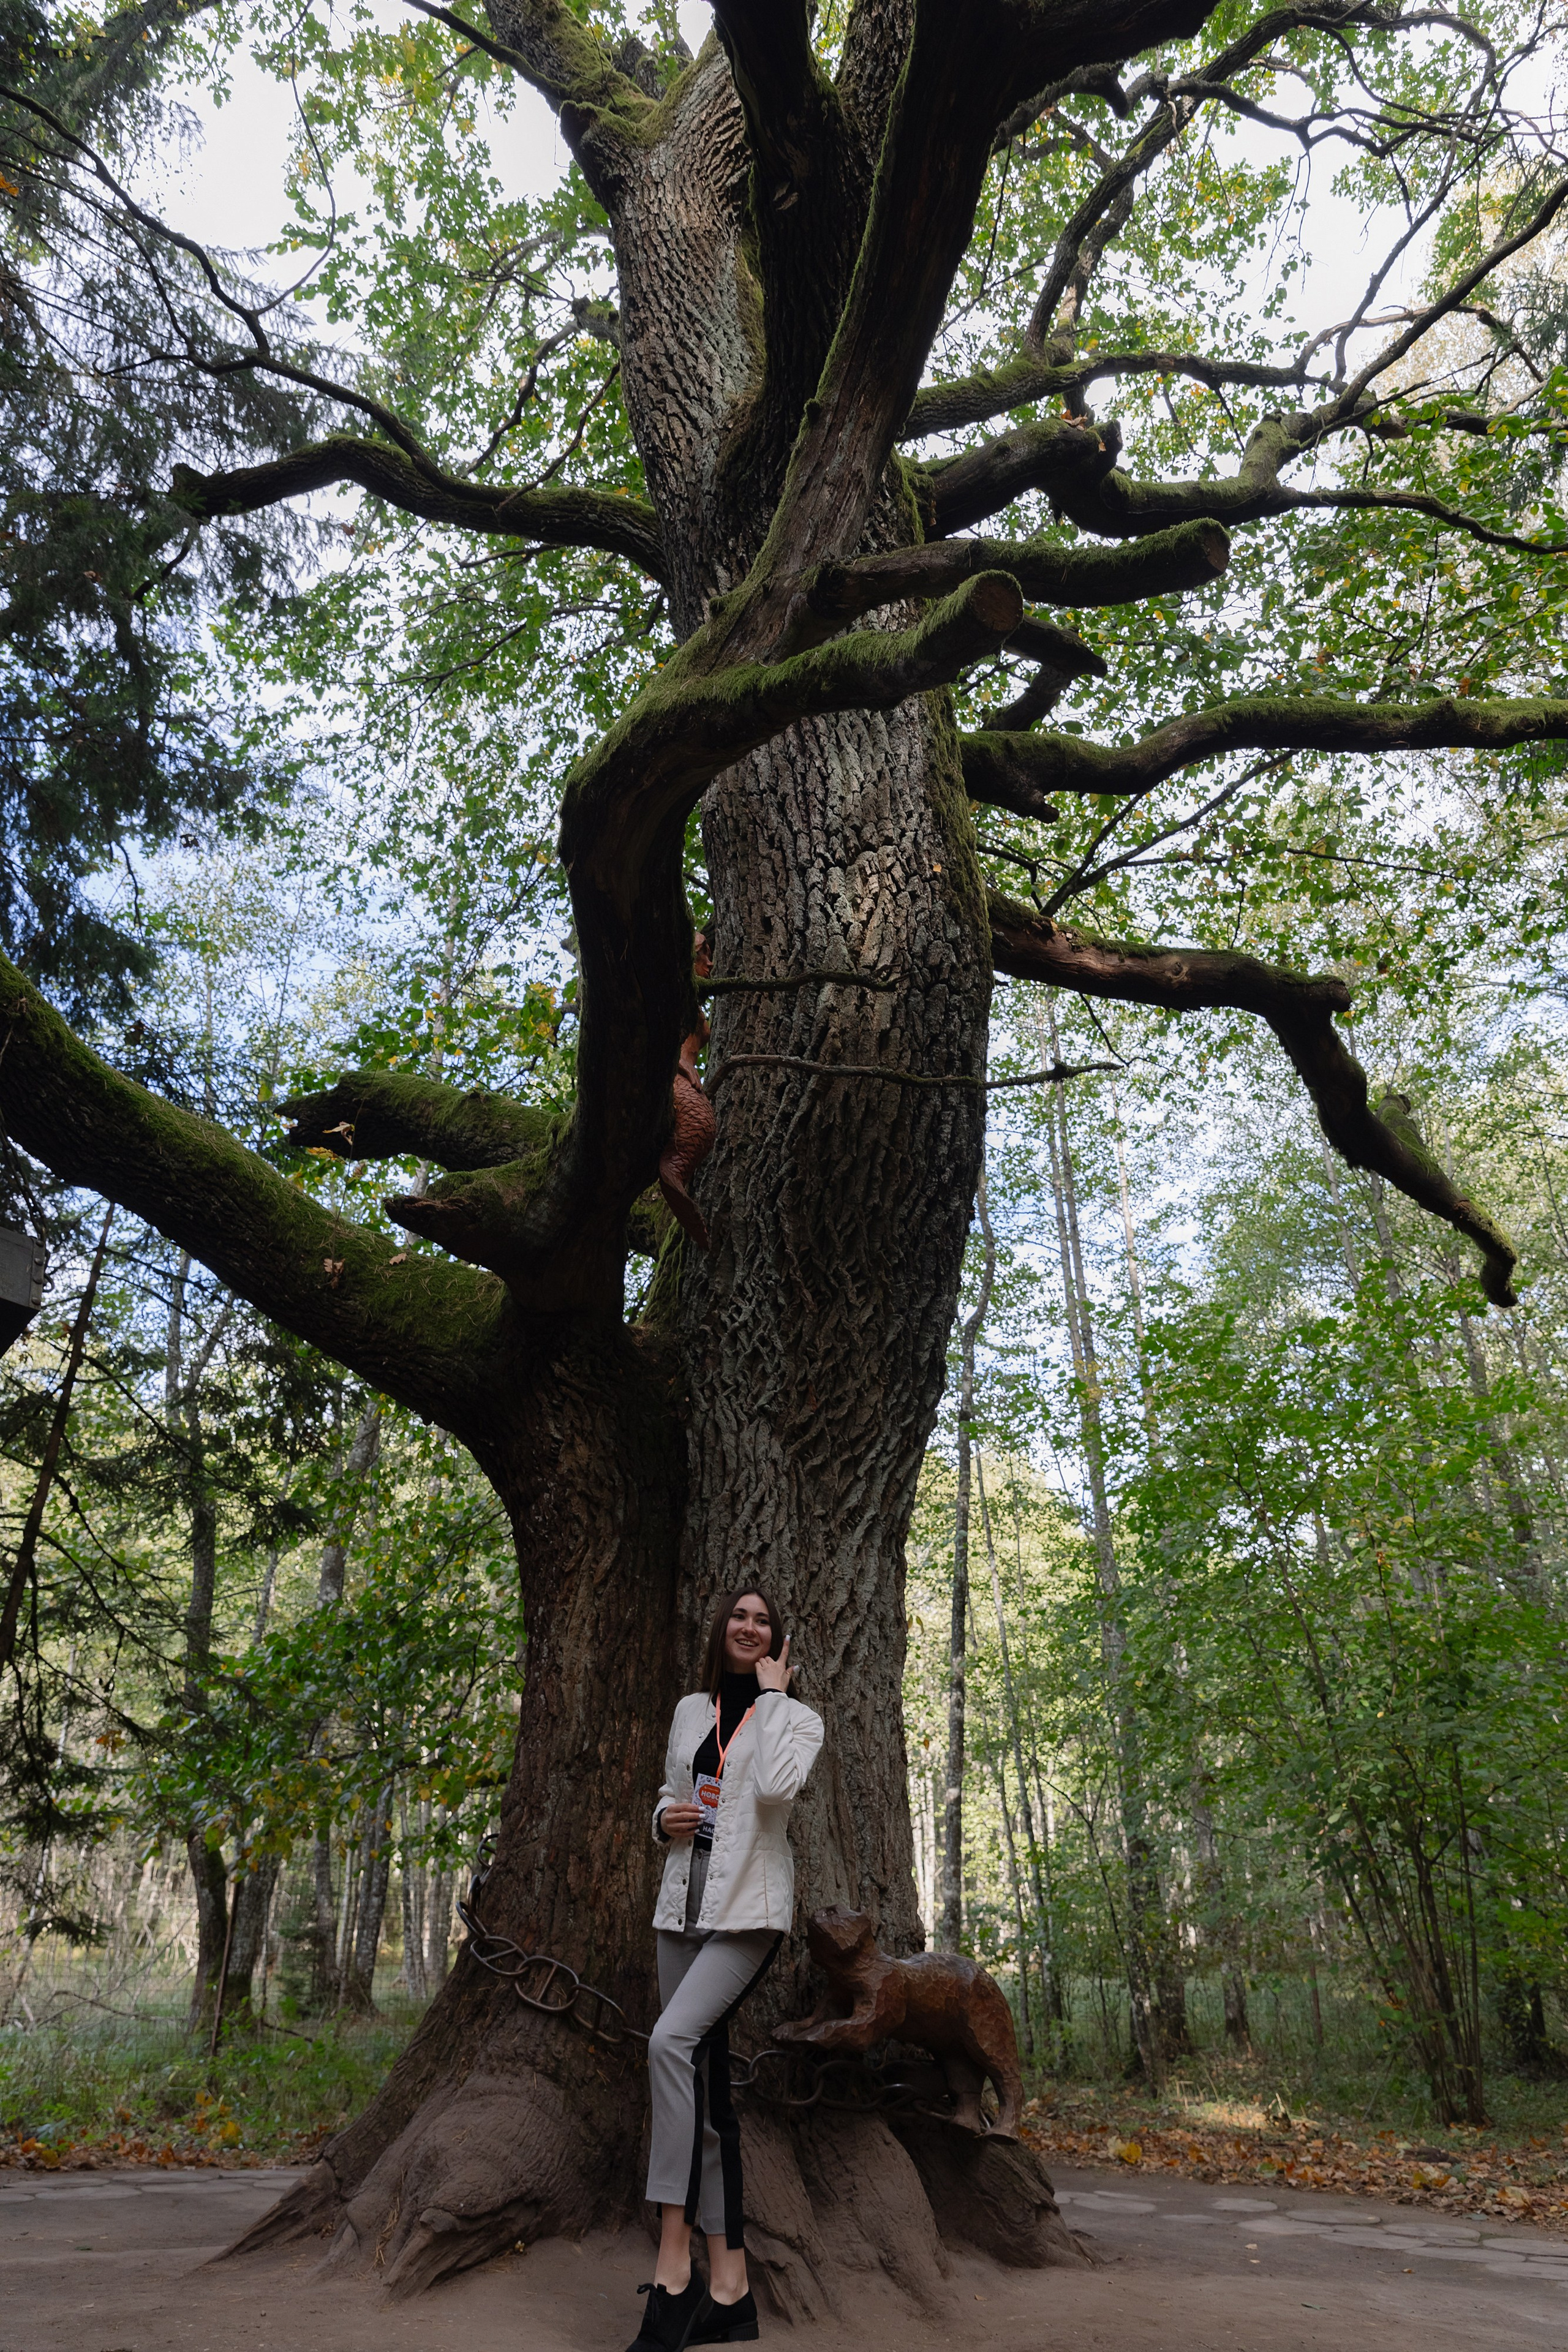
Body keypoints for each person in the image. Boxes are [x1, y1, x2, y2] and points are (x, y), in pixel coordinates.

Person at [627, 1587, 823, 2352]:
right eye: (739, 1617)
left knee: (667, 2044)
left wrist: (773, 1700)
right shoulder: (688, 1709)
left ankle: (673, 2264)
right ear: (722, 1630)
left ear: (777, 1641)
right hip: (681, 1905)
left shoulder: (798, 1719)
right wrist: (660, 1818)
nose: (749, 1627)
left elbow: (776, 1789)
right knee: (705, 2094)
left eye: (763, 1621)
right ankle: (732, 2289)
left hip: (748, 1913)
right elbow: (673, 1793)